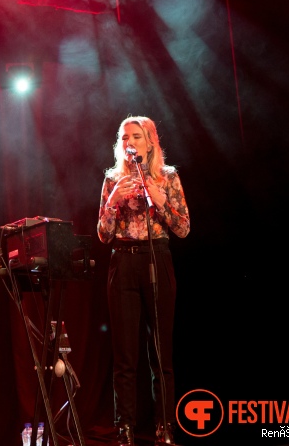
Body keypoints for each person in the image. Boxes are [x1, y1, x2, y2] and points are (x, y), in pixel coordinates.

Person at [96, 116, 190, 446]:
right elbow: (104, 235)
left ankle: (165, 427)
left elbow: (182, 229)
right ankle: (124, 428)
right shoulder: (112, 179)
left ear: (150, 142)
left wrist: (161, 200)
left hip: (157, 259)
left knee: (160, 352)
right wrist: (112, 203)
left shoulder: (168, 177)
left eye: (136, 136)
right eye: (124, 137)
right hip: (123, 261)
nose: (129, 142)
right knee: (124, 354)